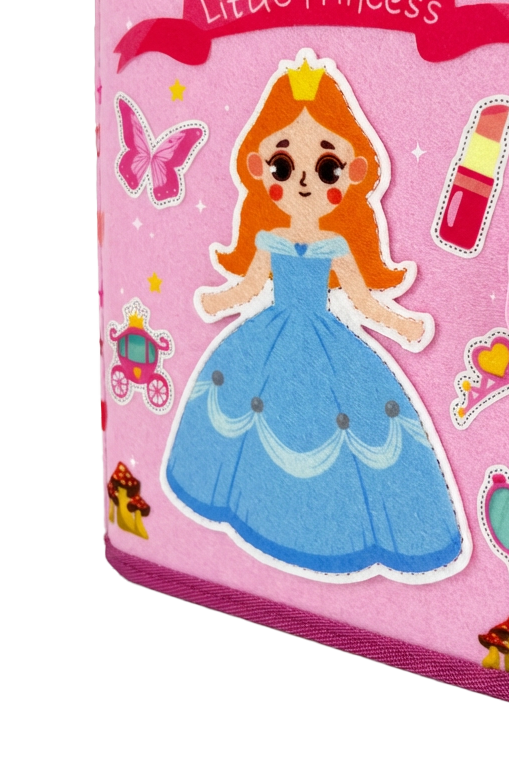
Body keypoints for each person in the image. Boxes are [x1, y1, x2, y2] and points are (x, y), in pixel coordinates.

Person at [163, 53, 465, 580]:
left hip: (328, 347)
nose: (304, 180)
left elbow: (364, 302)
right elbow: (249, 287)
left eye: (326, 169)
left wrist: (401, 325)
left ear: (354, 173)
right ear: (257, 167)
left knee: (341, 430)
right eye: (283, 166)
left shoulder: (336, 247)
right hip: (267, 342)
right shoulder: (268, 240)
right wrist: (218, 302)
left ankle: (333, 535)